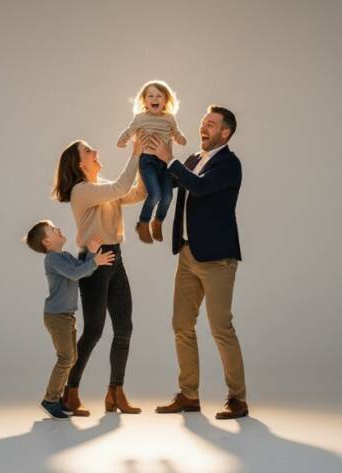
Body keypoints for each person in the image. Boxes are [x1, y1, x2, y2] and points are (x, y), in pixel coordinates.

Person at [149, 105, 249, 419]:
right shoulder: (193, 159)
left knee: (221, 328)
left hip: (218, 259)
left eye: (211, 124)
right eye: (203, 122)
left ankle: (238, 399)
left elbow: (200, 186)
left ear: (225, 132)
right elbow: (172, 182)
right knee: (181, 325)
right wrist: (149, 159)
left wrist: (172, 161)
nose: (203, 128)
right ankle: (189, 395)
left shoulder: (230, 164)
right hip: (188, 254)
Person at [52, 134, 148, 415]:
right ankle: (70, 392)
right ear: (79, 163)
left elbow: (137, 192)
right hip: (94, 260)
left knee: (124, 327)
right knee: (94, 329)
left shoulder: (105, 188)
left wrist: (149, 162)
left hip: (114, 256)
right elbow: (122, 186)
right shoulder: (82, 191)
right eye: (87, 150)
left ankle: (115, 393)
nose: (95, 151)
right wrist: (136, 153)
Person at [24, 220, 115, 420]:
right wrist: (95, 261)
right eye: (53, 229)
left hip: (66, 316)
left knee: (71, 358)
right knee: (66, 358)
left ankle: (55, 399)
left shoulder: (63, 256)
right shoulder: (52, 260)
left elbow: (84, 270)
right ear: (47, 242)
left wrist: (92, 254)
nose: (58, 229)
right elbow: (75, 273)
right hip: (56, 317)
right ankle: (50, 400)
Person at [117, 80, 187, 243]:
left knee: (168, 195)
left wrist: (180, 139)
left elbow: (176, 133)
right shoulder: (140, 118)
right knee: (154, 194)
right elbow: (129, 131)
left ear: (165, 101)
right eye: (150, 96)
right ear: (144, 101)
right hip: (147, 161)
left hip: (165, 162)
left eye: (159, 96)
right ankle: (143, 223)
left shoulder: (169, 118)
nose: (155, 99)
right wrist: (122, 141)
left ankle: (158, 222)